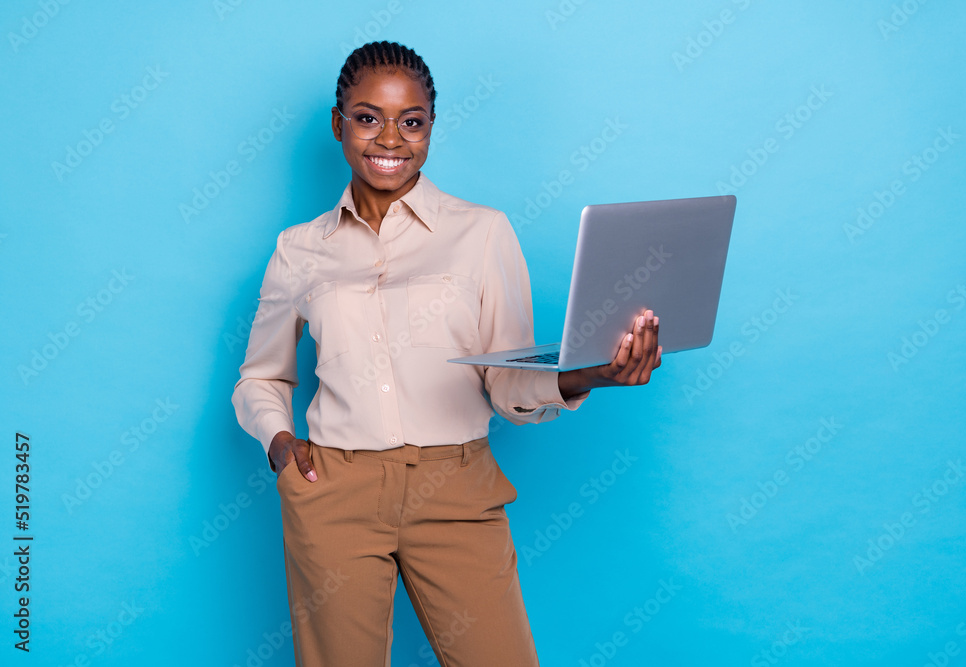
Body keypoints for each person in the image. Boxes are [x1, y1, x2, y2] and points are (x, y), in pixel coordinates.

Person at [233, 40, 661, 666]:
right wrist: (279, 443)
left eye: (411, 122)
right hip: (335, 493)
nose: (390, 139)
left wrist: (592, 374)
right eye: (367, 117)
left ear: (430, 128)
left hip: (457, 490)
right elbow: (260, 377)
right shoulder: (300, 250)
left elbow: (508, 383)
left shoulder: (482, 233)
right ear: (338, 124)